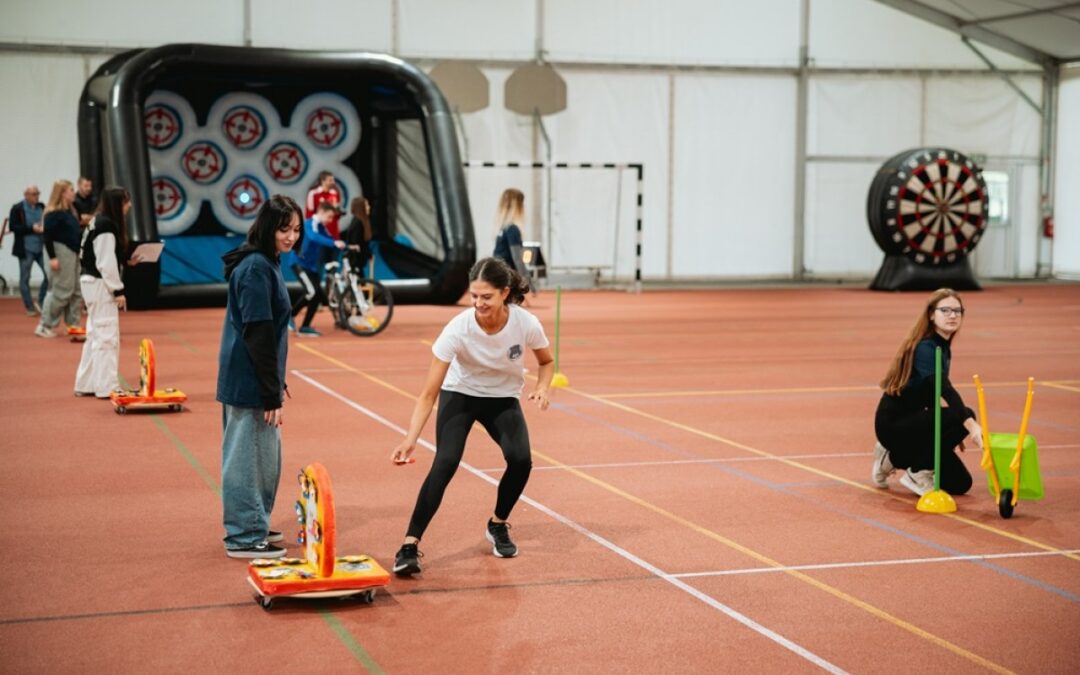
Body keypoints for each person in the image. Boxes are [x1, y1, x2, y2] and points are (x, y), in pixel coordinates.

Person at [390, 257, 554, 577]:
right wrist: (410, 439)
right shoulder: (458, 328)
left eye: (486, 296)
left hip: (502, 399)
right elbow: (428, 393)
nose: (478, 303)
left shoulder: (526, 324)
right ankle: (409, 545)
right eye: (474, 296)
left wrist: (543, 388)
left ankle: (498, 524)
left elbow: (547, 362)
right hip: (461, 395)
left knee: (521, 460)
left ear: (505, 293)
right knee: (446, 461)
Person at [217, 194, 303, 559]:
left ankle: (255, 523)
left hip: (257, 376)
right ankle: (244, 534)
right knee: (248, 457)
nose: (291, 236)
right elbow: (257, 332)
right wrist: (271, 392)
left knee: (265, 457)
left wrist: (275, 383)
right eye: (285, 229)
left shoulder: (266, 263)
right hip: (249, 379)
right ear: (268, 227)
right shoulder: (255, 268)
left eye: (297, 229)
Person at [873, 288, 982, 496]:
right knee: (966, 414)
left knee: (961, 484)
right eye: (946, 310)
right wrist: (969, 425)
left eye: (958, 311)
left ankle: (892, 459)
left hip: (915, 422)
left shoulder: (943, 346)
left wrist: (952, 428)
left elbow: (929, 392)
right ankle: (917, 472)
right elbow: (944, 389)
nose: (953, 315)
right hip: (894, 424)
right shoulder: (927, 348)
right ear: (932, 315)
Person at [74, 187, 132, 398]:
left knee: (95, 334)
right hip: (99, 284)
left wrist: (125, 260)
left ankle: (86, 382)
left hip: (90, 282)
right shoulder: (105, 225)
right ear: (118, 204)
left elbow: (104, 256)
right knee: (107, 335)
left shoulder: (96, 221)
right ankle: (107, 386)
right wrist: (118, 290)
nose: (129, 206)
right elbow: (105, 262)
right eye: (126, 202)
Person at [36, 180, 83, 338]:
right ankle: (44, 325)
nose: (73, 192)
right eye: (71, 190)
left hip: (73, 252)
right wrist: (53, 257)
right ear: (62, 193)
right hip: (60, 251)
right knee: (61, 290)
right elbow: (47, 236)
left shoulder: (70, 211)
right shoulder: (53, 213)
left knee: (76, 290)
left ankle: (73, 325)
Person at [290, 201, 345, 337]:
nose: (330, 220)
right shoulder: (309, 224)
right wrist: (334, 243)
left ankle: (305, 326)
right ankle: (288, 316)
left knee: (318, 296)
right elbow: (313, 237)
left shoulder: (322, 227)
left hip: (311, 267)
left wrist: (348, 246)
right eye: (329, 217)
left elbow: (331, 240)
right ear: (321, 212)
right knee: (311, 291)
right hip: (299, 263)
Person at [8, 185, 48, 316]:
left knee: (49, 275)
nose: (36, 196)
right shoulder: (17, 208)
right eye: (34, 194)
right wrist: (32, 228)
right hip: (25, 249)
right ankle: (29, 306)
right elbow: (13, 227)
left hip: (41, 247)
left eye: (38, 193)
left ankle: (40, 301)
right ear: (26, 195)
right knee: (25, 278)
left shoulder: (42, 207)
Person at [305, 170, 342, 238]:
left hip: (333, 229)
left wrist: (337, 210)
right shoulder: (313, 193)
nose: (333, 182)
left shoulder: (335, 193)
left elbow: (337, 213)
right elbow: (309, 213)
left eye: (333, 180)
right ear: (323, 181)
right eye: (330, 180)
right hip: (320, 229)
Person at [343, 196, 373, 274]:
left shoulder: (360, 222)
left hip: (358, 261)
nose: (369, 208)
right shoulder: (358, 223)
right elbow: (356, 243)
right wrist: (367, 253)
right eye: (366, 205)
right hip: (354, 261)